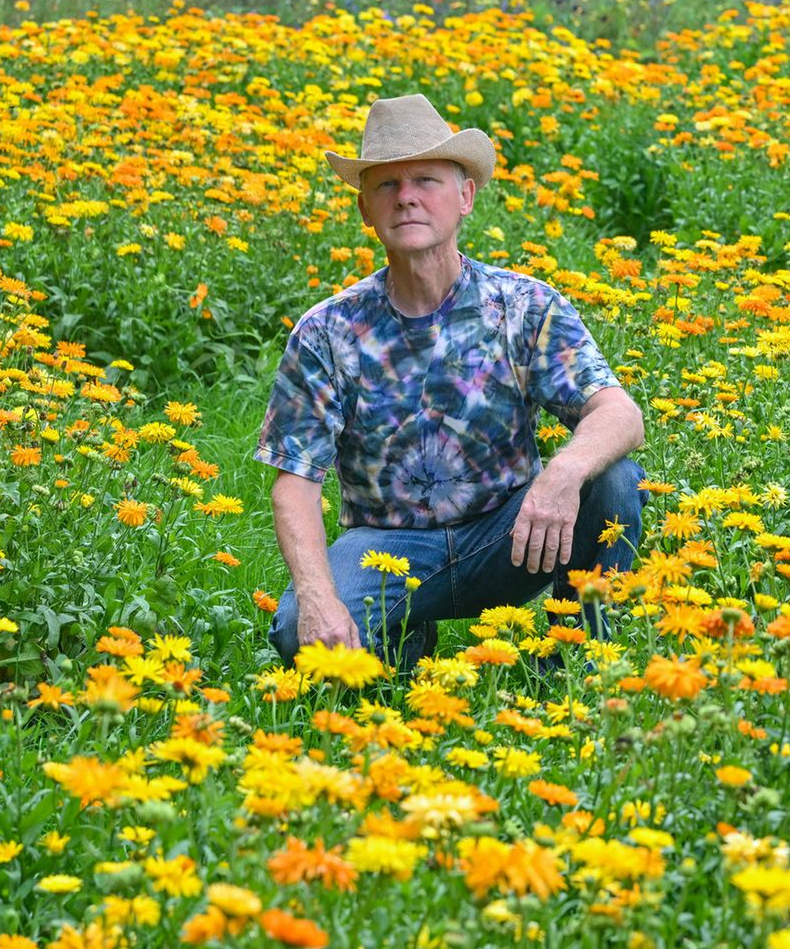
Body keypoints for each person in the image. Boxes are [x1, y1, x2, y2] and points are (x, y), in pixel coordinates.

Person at [255, 93, 647, 673]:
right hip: (388, 552)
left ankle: (573, 659)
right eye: (387, 185)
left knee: (613, 480)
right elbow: (295, 484)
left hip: (510, 538)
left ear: (465, 196)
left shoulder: (523, 305)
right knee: (298, 635)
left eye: (426, 180)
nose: (407, 196)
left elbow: (620, 414)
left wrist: (561, 473)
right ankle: (403, 643)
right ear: (365, 208)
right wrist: (316, 597)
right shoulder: (326, 332)